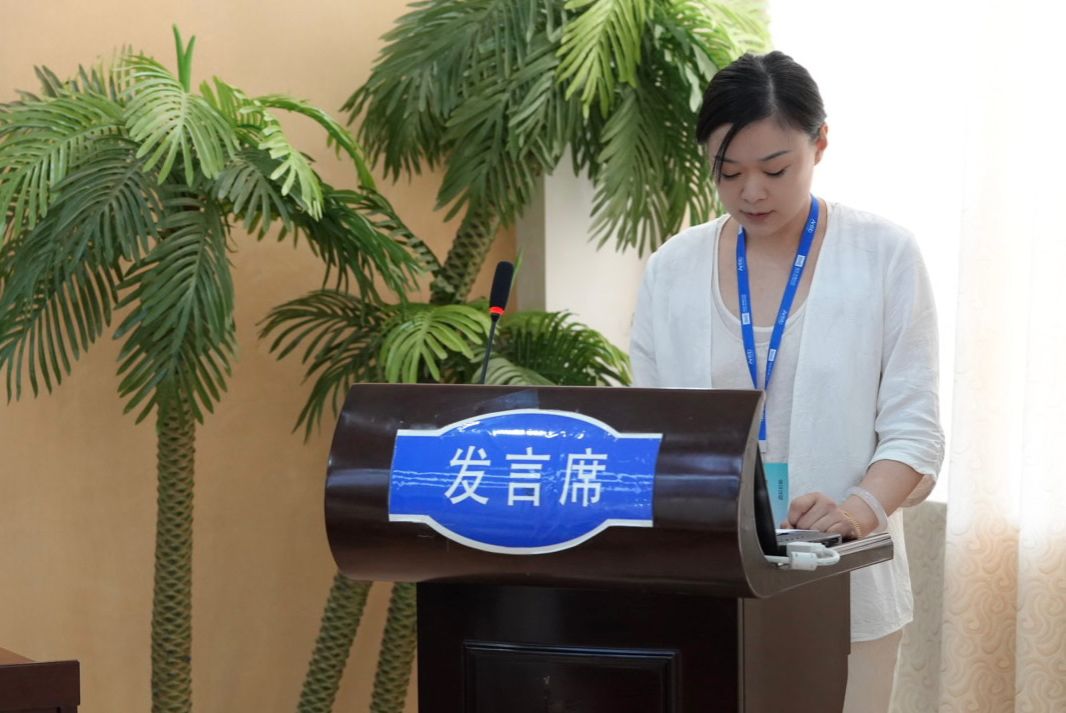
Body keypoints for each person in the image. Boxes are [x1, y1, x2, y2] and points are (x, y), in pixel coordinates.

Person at [628, 51, 944, 713]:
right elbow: (649, 435)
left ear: (820, 144)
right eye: (728, 171)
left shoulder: (883, 255)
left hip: (845, 592)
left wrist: (854, 512)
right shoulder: (672, 269)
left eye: (775, 170)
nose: (751, 192)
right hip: (705, 590)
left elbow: (914, 434)